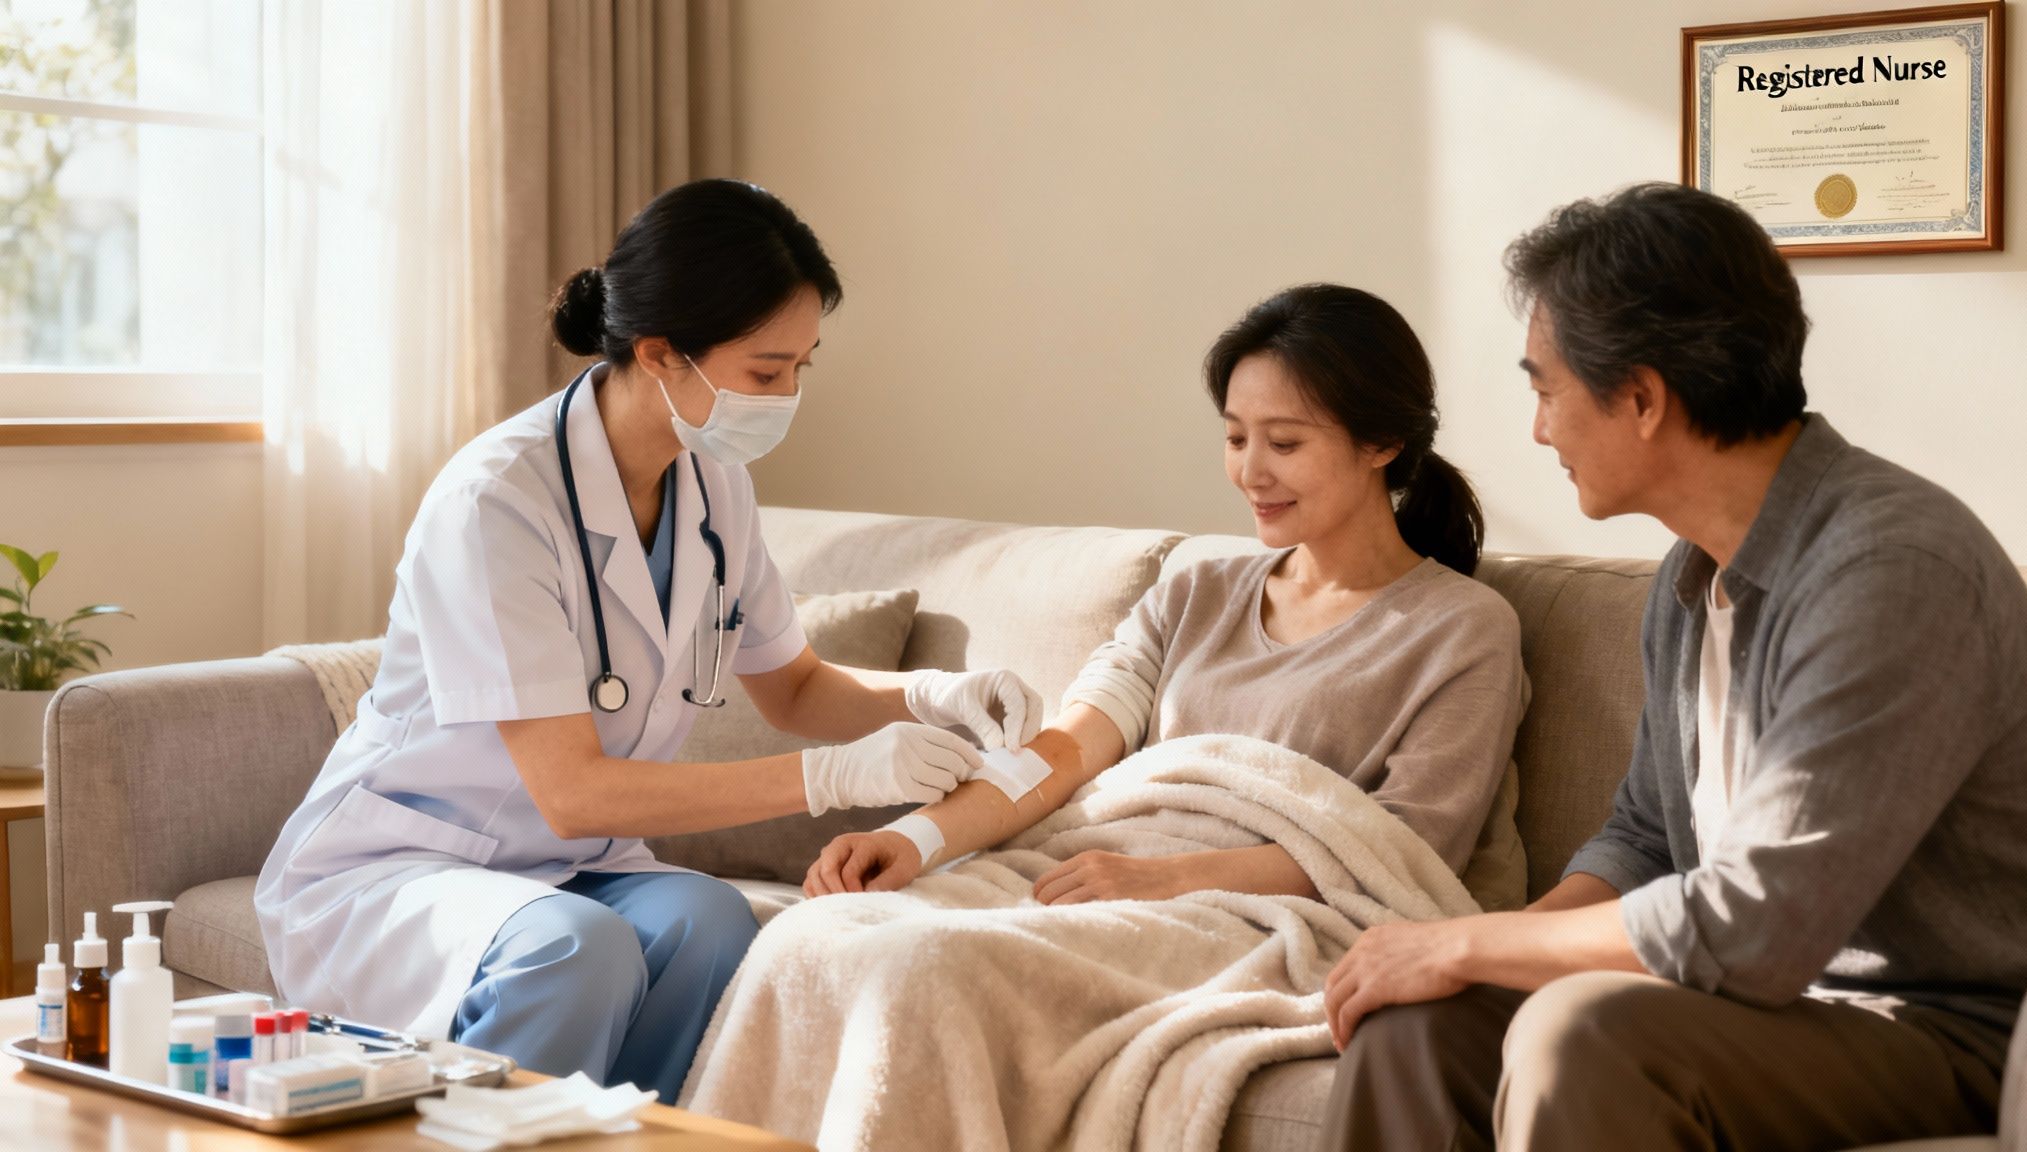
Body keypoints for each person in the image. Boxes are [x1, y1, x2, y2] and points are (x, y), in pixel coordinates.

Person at [254, 179, 1045, 1104]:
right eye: (763, 371)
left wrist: (932, 695)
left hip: (573, 867)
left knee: (712, 920)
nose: (788, 395)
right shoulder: (498, 502)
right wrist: (831, 777)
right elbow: (573, 791)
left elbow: (791, 687)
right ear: (661, 353)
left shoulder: (714, 487)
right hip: (415, 862)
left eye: (803, 366)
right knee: (573, 950)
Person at [1317, 182, 2027, 1151]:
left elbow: (1756, 925)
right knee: (1417, 1023)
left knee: (1580, 1037)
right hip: (1763, 1011)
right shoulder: (1688, 573)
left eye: (1544, 389)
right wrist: (1463, 966)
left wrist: (1465, 938)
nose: (1536, 429)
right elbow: (1643, 841)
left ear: (1640, 398)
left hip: (1938, 1028)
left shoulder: (1889, 569)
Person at [804, 283, 1526, 905]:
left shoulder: (1462, 629)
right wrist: (914, 837)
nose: (1250, 472)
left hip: (1247, 911)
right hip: (1101, 876)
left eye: (1285, 443)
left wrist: (1172, 879)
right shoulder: (1195, 596)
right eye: (1236, 438)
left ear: (1383, 443)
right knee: (835, 939)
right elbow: (1061, 753)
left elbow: (1410, 850)